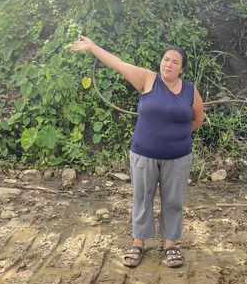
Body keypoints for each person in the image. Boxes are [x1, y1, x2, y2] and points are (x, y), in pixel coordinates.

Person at [71, 36, 204, 268]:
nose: (168, 64)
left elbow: (197, 119)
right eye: (166, 59)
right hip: (144, 154)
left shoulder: (190, 90)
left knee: (174, 201)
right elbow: (118, 64)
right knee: (142, 198)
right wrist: (93, 47)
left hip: (178, 157)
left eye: (175, 62)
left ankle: (171, 245)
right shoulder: (148, 79)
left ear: (182, 69)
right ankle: (138, 242)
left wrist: (176, 136)